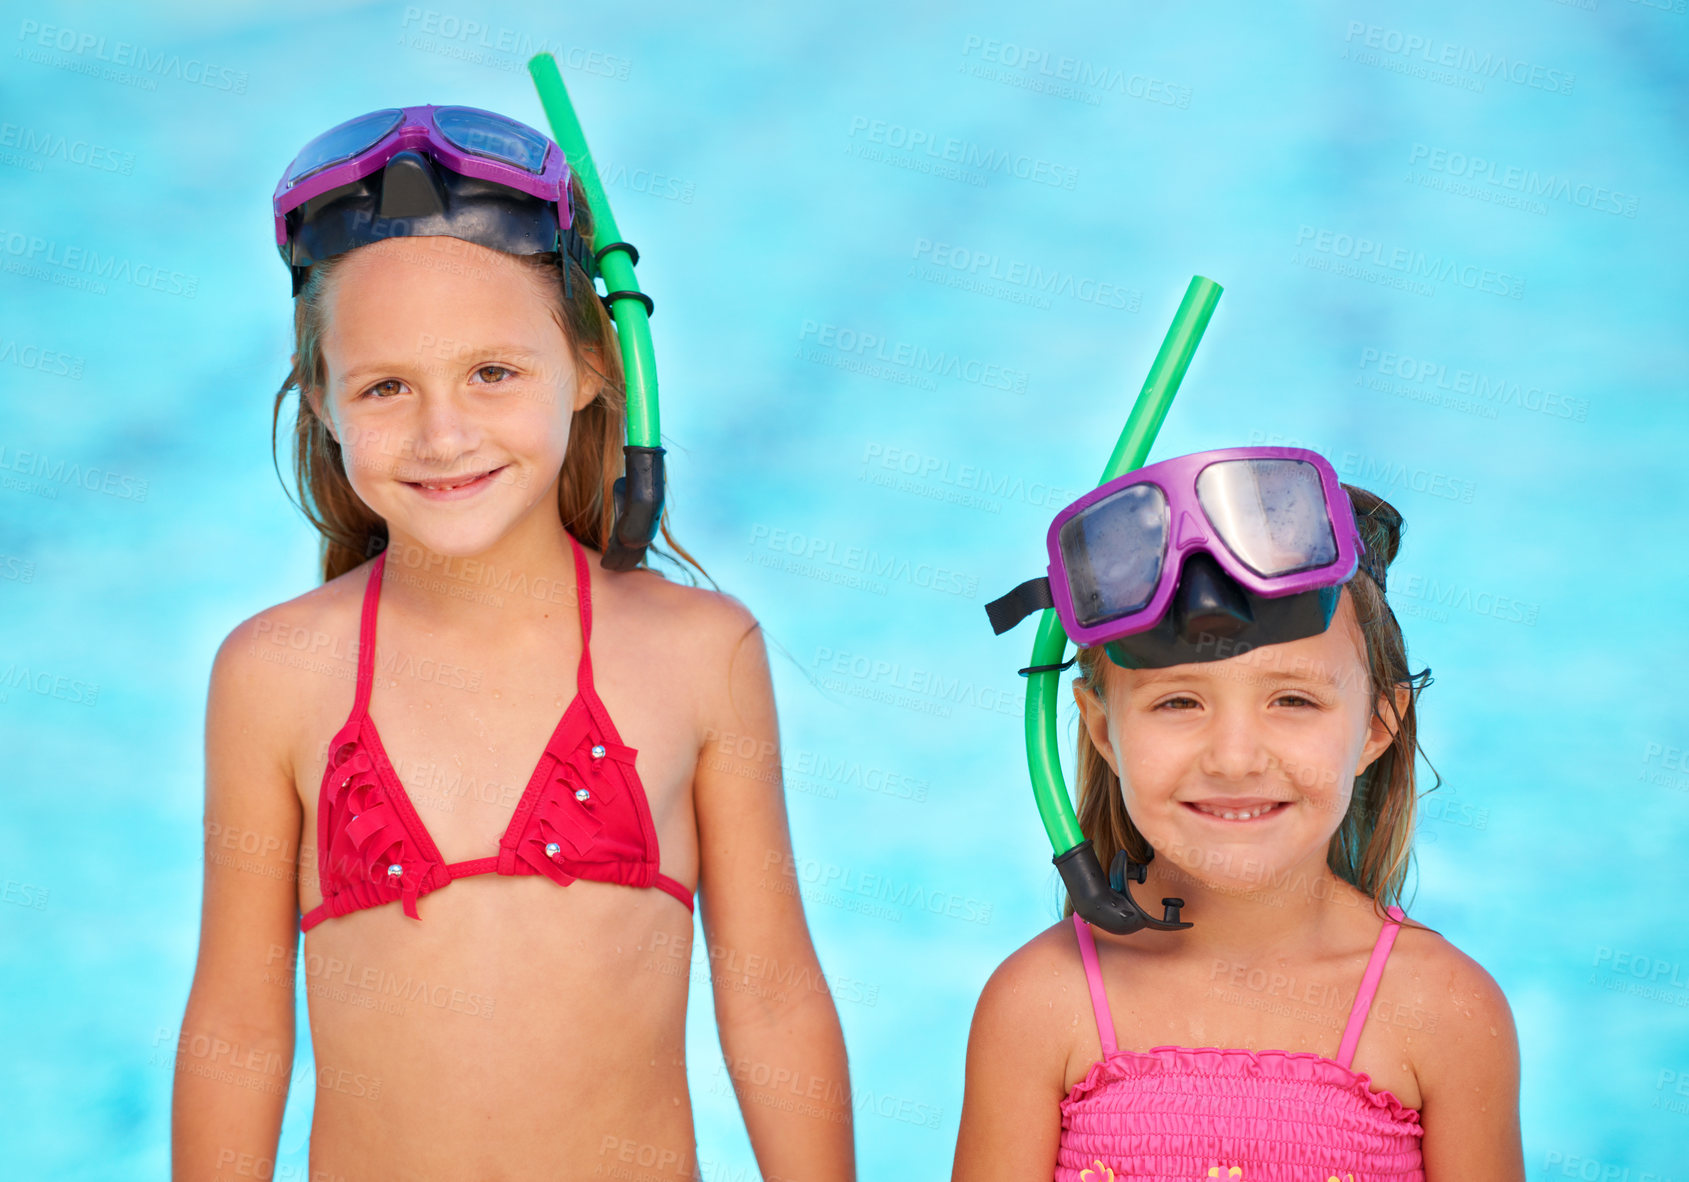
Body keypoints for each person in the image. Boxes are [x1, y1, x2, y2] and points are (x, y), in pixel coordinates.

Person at [171, 103, 853, 1181]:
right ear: (322, 401)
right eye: (387, 387)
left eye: (494, 373)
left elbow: (770, 995)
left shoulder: (698, 653)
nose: (444, 434)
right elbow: (238, 1028)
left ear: (589, 368)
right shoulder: (275, 673)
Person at [953, 449, 1524, 1180]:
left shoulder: (1443, 1010)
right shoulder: (1039, 1003)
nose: (1232, 759)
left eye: (1292, 700)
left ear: (1377, 725)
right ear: (1102, 730)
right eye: (1178, 702)